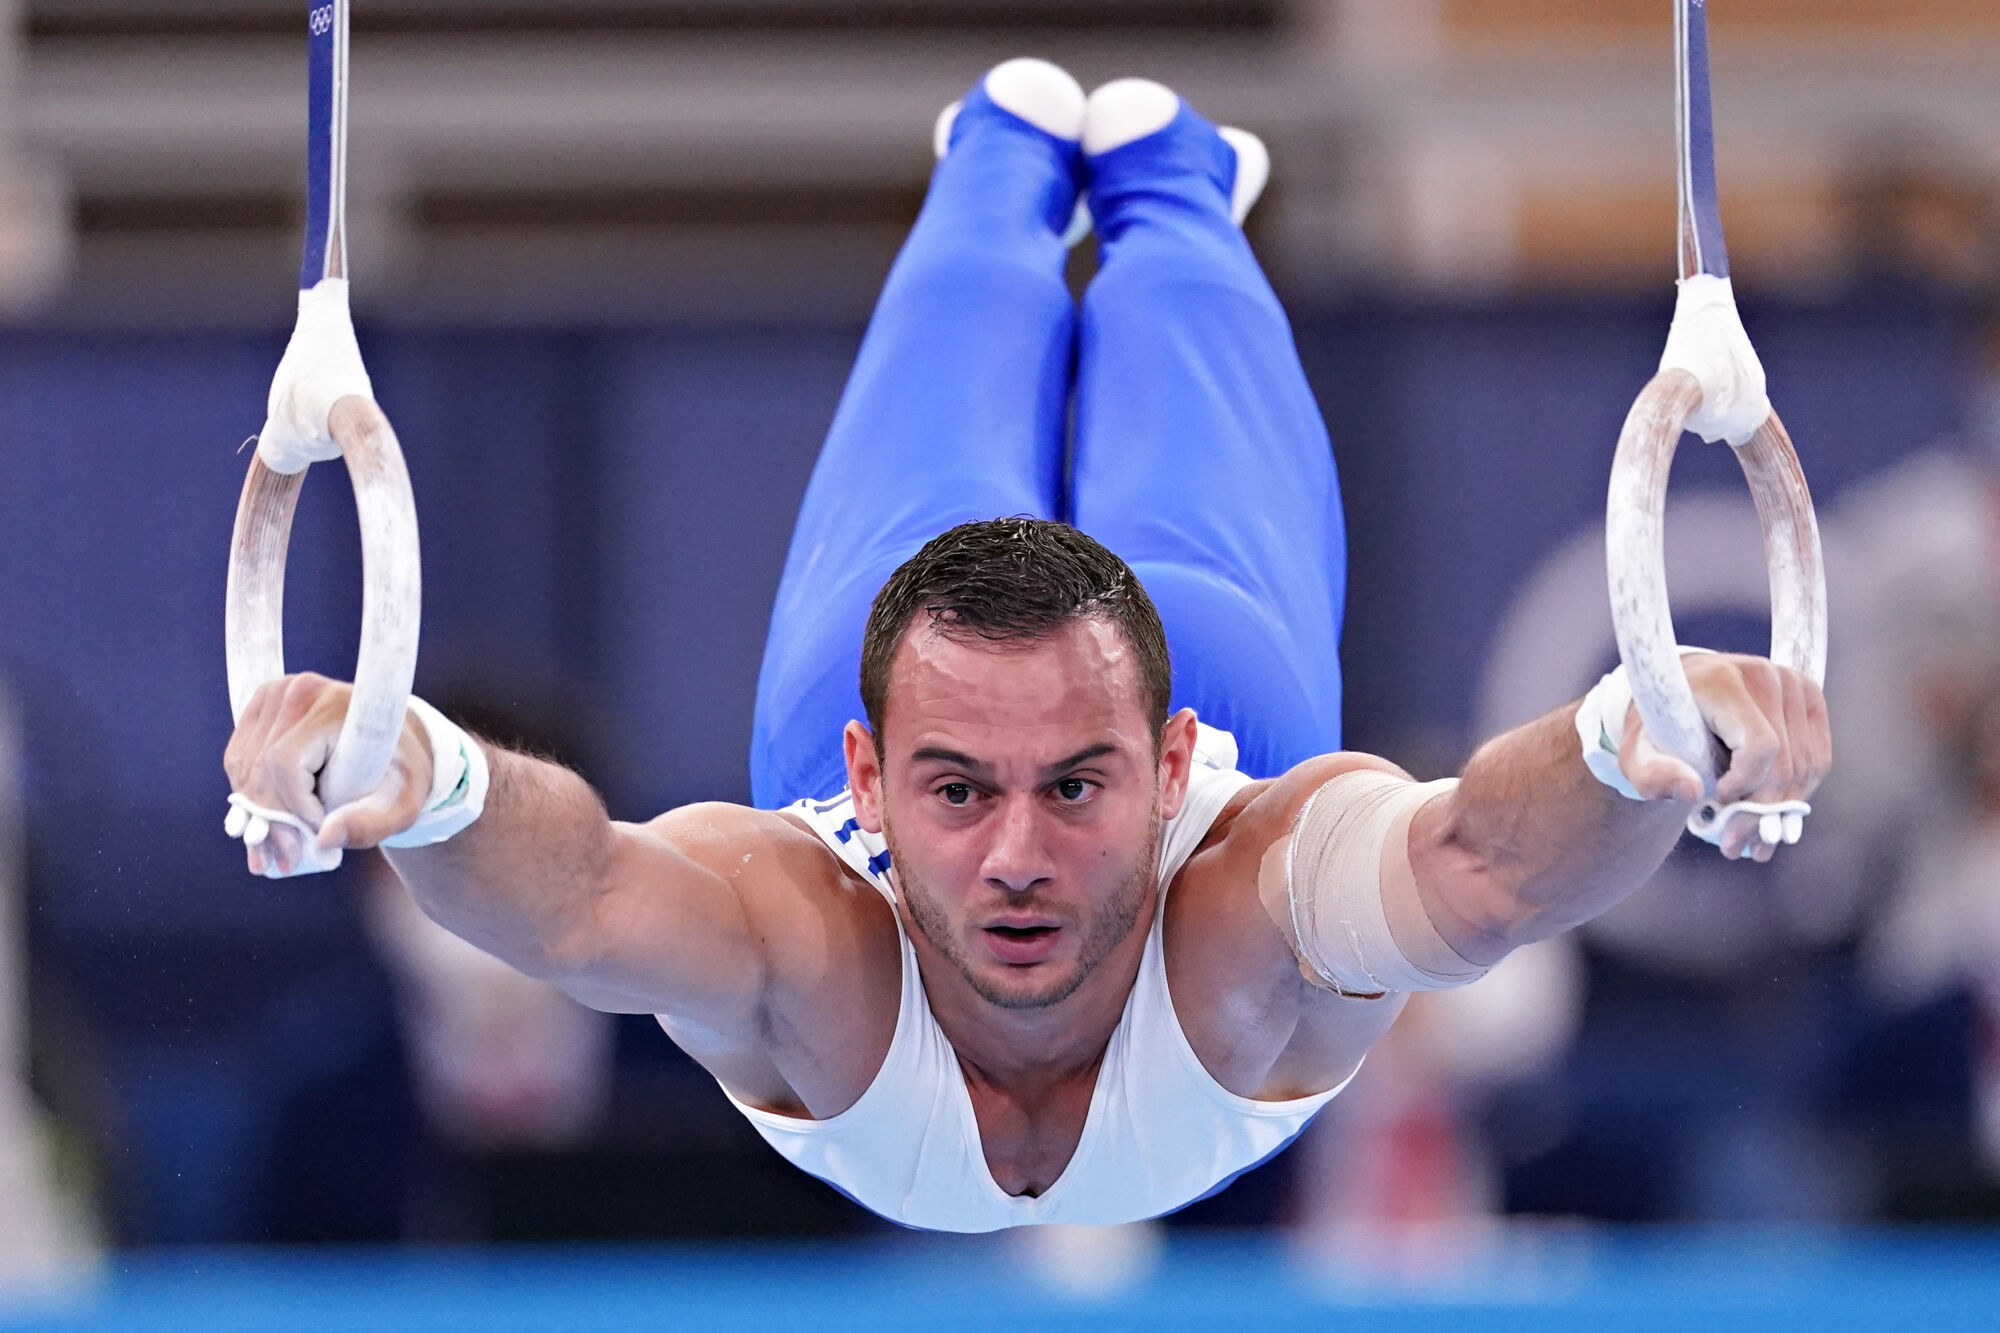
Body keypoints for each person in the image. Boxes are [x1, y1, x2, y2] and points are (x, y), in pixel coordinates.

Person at [219, 60, 1831, 1232]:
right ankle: (1085, 170)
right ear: (868, 779)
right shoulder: (814, 933)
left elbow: (1484, 855)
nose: (1015, 855)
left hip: (1193, 659)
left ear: (1174, 760)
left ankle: (1070, 165)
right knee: (1084, 373)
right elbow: (575, 892)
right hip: (1062, 680)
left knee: (1013, 425)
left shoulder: (1243, 893)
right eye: (956, 791)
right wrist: (419, 776)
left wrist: (1641, 732)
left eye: (1074, 786)